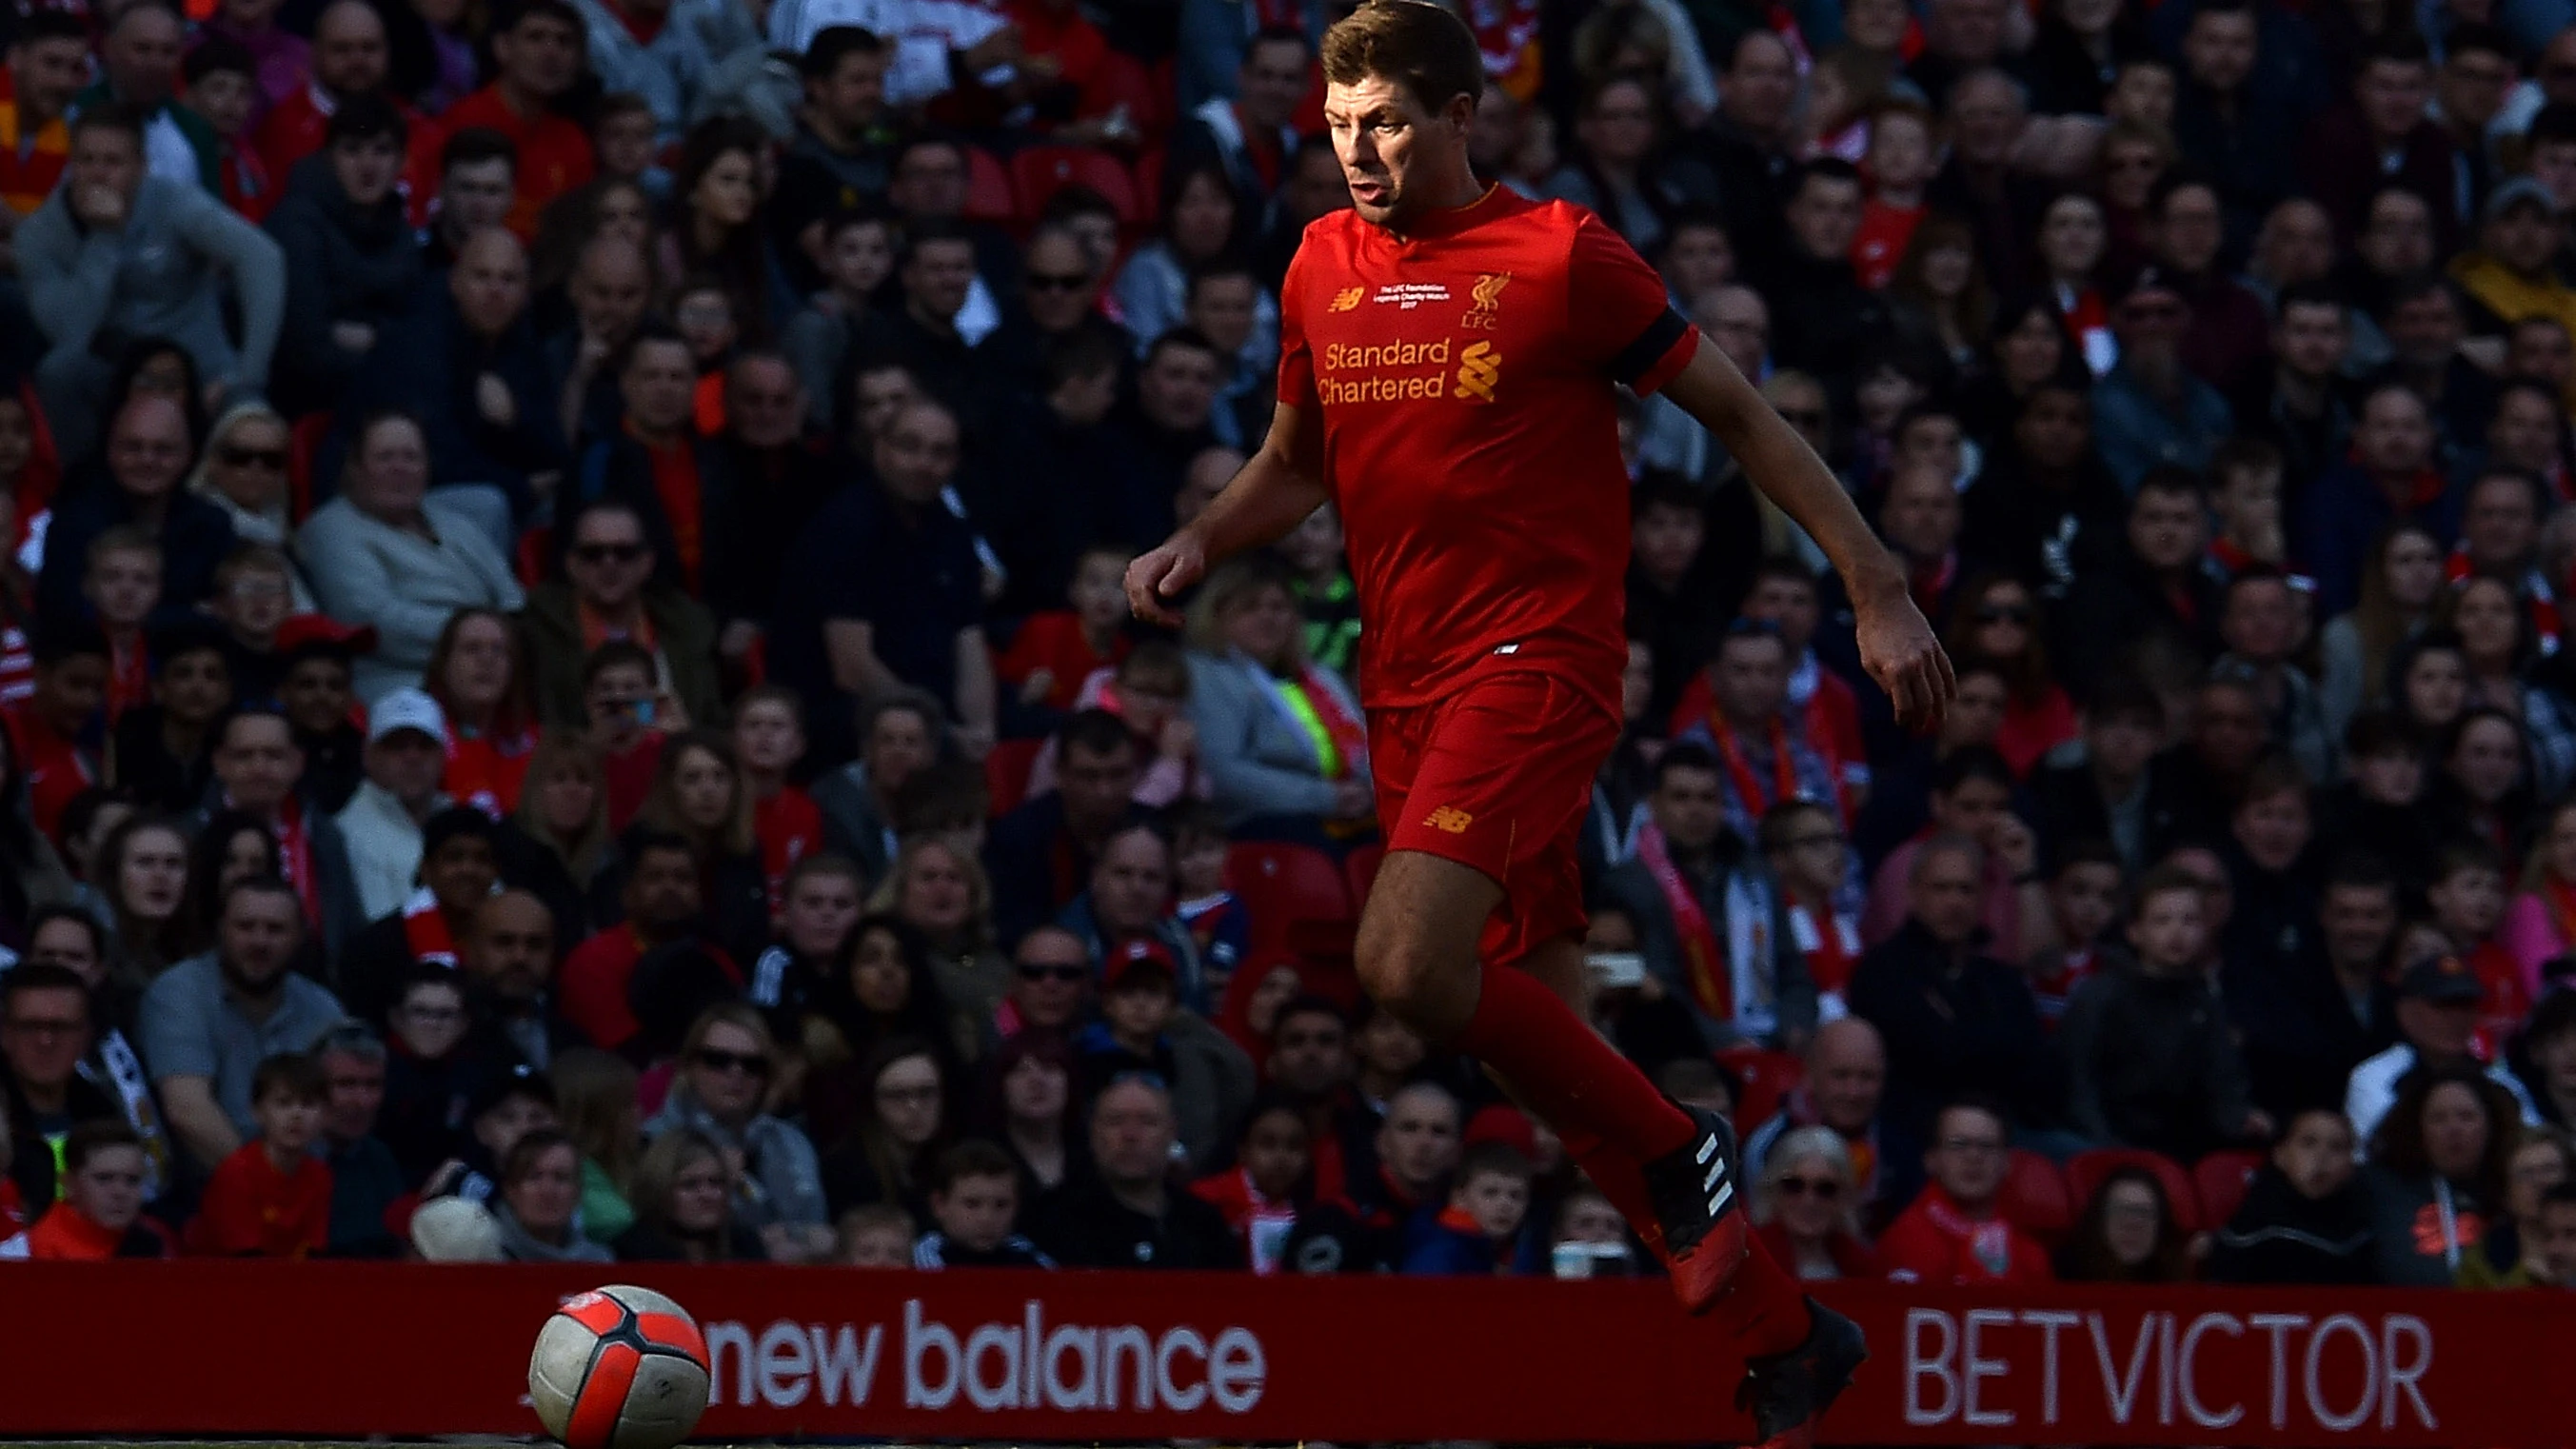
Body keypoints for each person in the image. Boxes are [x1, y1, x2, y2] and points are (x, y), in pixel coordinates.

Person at [1124, 4, 1948, 1423]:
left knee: (1400, 962)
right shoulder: (1320, 261)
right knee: (1558, 1073)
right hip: (1405, 689)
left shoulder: (1562, 256)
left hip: (1536, 664)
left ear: (1459, 112)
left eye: (1382, 119)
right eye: (1335, 128)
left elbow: (1745, 418)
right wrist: (1204, 539)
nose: (1357, 151)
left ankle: (1687, 1144)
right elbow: (1291, 459)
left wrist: (1874, 584)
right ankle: (1783, 1333)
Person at [19, 106, 284, 458]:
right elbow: (69, 334)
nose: (98, 174)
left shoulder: (175, 202)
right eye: (86, 160)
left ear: (141, 167)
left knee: (255, 428)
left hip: (201, 372)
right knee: (59, 372)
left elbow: (263, 257)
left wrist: (249, 375)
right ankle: (80, 490)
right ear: (71, 165)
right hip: (114, 376)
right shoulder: (39, 235)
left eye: (113, 162)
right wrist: (106, 238)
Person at [297, 412, 526, 704]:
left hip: (492, 662)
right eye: (385, 457)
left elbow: (511, 595)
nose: (400, 468)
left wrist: (501, 639)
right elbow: (375, 622)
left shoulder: (455, 523)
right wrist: (480, 640)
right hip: (404, 679)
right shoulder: (331, 530)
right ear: (355, 468)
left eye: (411, 457)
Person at [1598, 744, 1813, 1050]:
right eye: (1681, 797)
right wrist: (1730, 1043)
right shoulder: (1628, 886)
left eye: (1707, 798)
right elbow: (1657, 986)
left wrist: (1795, 1029)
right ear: (1654, 804)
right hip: (1678, 1049)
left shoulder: (1757, 875)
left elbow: (1793, 971)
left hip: (1772, 1044)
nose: (1696, 810)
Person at [2060, 863, 2270, 1159]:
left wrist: (2241, 1119)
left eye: (2189, 921)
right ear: (2134, 931)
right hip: (2108, 1142)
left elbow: (2223, 1081)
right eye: (2162, 921)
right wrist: (2105, 1146)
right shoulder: (2101, 995)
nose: (2177, 932)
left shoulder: (2203, 1003)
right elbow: (2078, 1083)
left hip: (2181, 1148)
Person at [137, 877, 344, 1175]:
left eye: (276, 929)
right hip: (204, 1193)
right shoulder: (178, 993)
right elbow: (187, 1109)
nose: (259, 941)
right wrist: (264, 1183)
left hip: (309, 1188)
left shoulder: (322, 1008)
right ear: (221, 928)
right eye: (245, 926)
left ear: (300, 936)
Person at [644, 1003, 834, 1261]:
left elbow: (822, 1234)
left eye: (752, 1064)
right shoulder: (654, 1141)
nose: (737, 1073)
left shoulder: (792, 1141)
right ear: (689, 1066)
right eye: (718, 1061)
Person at [1031, 1072, 1243, 1269]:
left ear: (1171, 1133)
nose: (1130, 1135)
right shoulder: (1052, 1220)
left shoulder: (1205, 1226)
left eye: (1148, 1122)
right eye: (1115, 1121)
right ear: (1094, 1133)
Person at [2346, 953, 2541, 1142]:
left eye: (2465, 1006)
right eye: (2443, 1006)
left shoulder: (2502, 1082)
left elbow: (2534, 1148)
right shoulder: (2374, 1078)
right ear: (2406, 1012)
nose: (2456, 1018)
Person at [2364, 1063, 2517, 1286]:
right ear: (2418, 1129)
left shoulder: (2517, 1187)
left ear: (2491, 1126)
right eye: (2438, 1119)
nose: (2453, 1129)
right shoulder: (2380, 1187)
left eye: (2466, 1117)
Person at [1875, 1098, 2054, 1285]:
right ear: (1931, 1159)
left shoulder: (2030, 1253)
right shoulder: (1906, 1242)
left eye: (1987, 1146)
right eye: (1958, 1145)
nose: (1973, 1156)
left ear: (2006, 1162)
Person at [188, 1050, 331, 1257]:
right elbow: (245, 1259)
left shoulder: (320, 1176)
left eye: (308, 1104)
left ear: (325, 1115)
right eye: (284, 1103)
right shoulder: (237, 1174)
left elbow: (314, 1251)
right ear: (257, 1112)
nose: (296, 1115)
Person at [331, 689, 452, 924]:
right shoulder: (349, 833)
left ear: (442, 756)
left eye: (425, 745)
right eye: (397, 746)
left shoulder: (459, 819)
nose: (412, 756)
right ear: (368, 755)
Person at [311, 1022, 405, 1256]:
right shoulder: (276, 1160)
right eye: (346, 1084)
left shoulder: (381, 1160)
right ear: (313, 1088)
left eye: (372, 1085)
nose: (361, 1101)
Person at [613, 1126, 770, 1262]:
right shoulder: (631, 1252)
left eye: (715, 1182)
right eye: (689, 1185)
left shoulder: (746, 1247)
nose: (706, 1195)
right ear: (659, 1189)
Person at [1750, 1125, 1880, 1280]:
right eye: (1794, 1186)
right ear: (1773, 1189)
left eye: (1826, 1189)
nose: (1809, 1201)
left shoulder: (1865, 1269)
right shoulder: (1748, 1261)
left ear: (1843, 1196)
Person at [23, 1121, 168, 1260]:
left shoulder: (152, 1241)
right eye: (104, 1178)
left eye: (132, 1180)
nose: (120, 1191)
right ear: (69, 1184)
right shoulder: (37, 1251)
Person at [1402, 1140, 1536, 1274]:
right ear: (1459, 1198)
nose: (1505, 1205)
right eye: (1490, 1192)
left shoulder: (1519, 1252)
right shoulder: (1437, 1258)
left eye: (1516, 1195)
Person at [913, 1139, 1054, 1267]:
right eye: (972, 1204)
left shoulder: (1028, 1255)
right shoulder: (922, 1257)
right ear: (939, 1205)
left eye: (1001, 1205)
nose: (986, 1218)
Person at [492, 1128, 614, 1262]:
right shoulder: (483, 1256)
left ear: (578, 1192)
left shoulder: (600, 1261)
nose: (548, 1190)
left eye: (561, 1177)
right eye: (534, 1177)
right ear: (511, 1190)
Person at [2055, 1165, 2194, 1282]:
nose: (2133, 1224)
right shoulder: (2063, 1276)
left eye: (2144, 1213)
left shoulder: (2180, 1281)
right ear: (2099, 1219)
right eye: (2120, 1210)